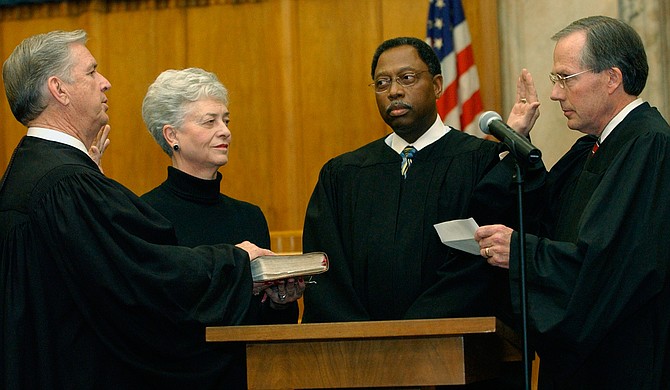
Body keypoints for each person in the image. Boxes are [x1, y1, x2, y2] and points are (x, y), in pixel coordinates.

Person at [0, 29, 285, 389]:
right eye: (91, 72)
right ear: (59, 90)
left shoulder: (38, 171)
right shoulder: (66, 184)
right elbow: (144, 277)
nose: (105, 82)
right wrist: (237, 262)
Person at [475, 16, 670, 389]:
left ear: (612, 78)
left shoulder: (649, 145)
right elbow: (541, 216)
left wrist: (520, 253)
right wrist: (515, 139)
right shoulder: (590, 150)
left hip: (623, 365)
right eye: (554, 80)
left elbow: (610, 265)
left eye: (565, 78)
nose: (555, 94)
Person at [301, 36, 540, 325]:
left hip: (452, 344)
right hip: (361, 352)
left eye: (407, 77)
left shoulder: (482, 161)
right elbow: (327, 269)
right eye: (382, 83)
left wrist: (419, 328)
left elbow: (483, 263)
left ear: (437, 85)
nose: (394, 91)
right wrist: (363, 337)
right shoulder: (343, 174)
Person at [139, 67, 304, 386]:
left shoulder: (249, 217)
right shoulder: (145, 215)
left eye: (225, 120)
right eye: (209, 121)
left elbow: (267, 328)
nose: (225, 131)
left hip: (251, 377)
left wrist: (281, 302)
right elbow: (160, 321)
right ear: (172, 135)